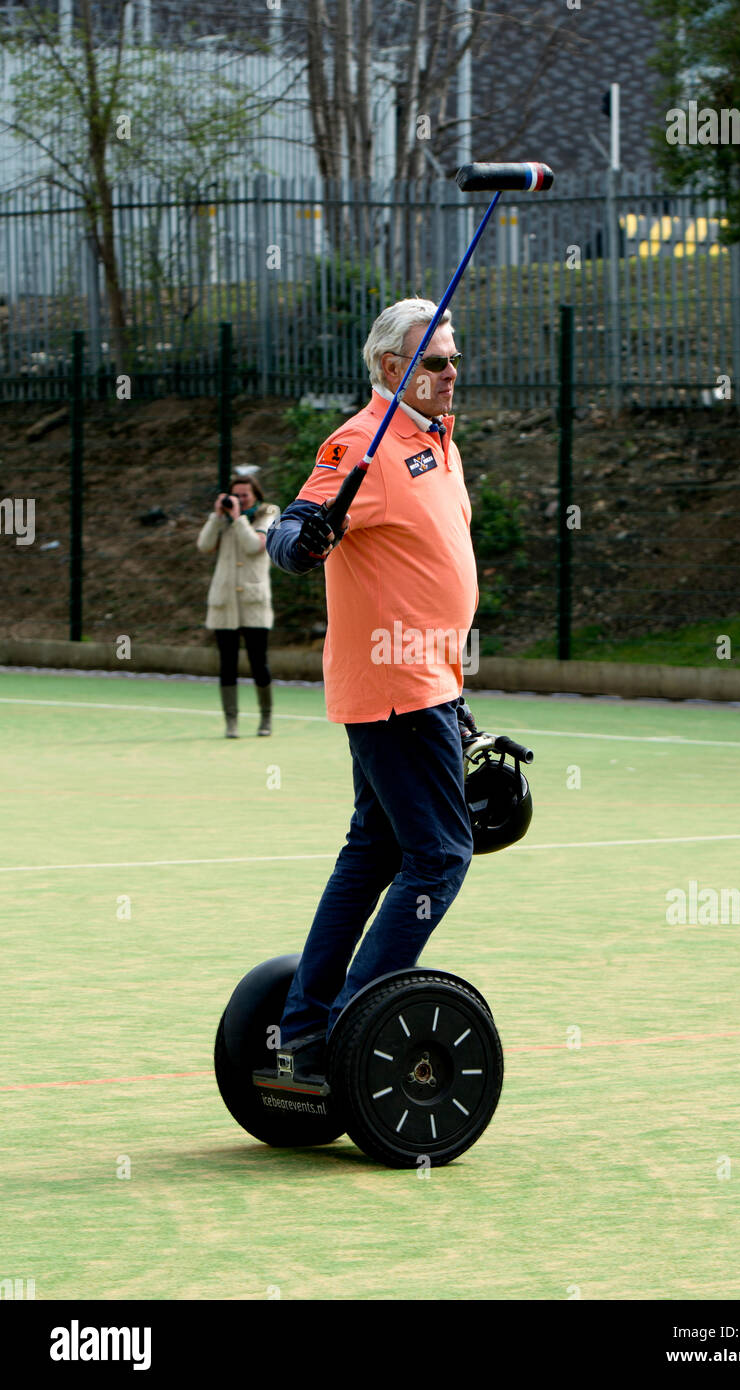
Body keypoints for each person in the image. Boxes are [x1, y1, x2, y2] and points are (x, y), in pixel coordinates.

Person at [265, 297, 478, 1082]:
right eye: (435, 362)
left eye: (454, 358)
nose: (451, 372)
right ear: (393, 369)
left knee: (374, 850)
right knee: (440, 856)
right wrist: (301, 543)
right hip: (396, 688)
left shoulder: (437, 443)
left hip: (428, 682)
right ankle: (350, 1028)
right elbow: (290, 528)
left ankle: (304, 1030)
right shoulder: (363, 440)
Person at [197, 474, 280, 737]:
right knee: (227, 664)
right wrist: (216, 517)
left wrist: (237, 518)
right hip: (225, 602)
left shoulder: (268, 514)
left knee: (259, 662)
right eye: (236, 495)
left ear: (256, 495)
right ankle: (231, 721)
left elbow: (255, 545)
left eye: (245, 495)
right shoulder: (222, 519)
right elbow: (204, 545)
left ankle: (265, 718)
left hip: (253, 602)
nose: (240, 500)